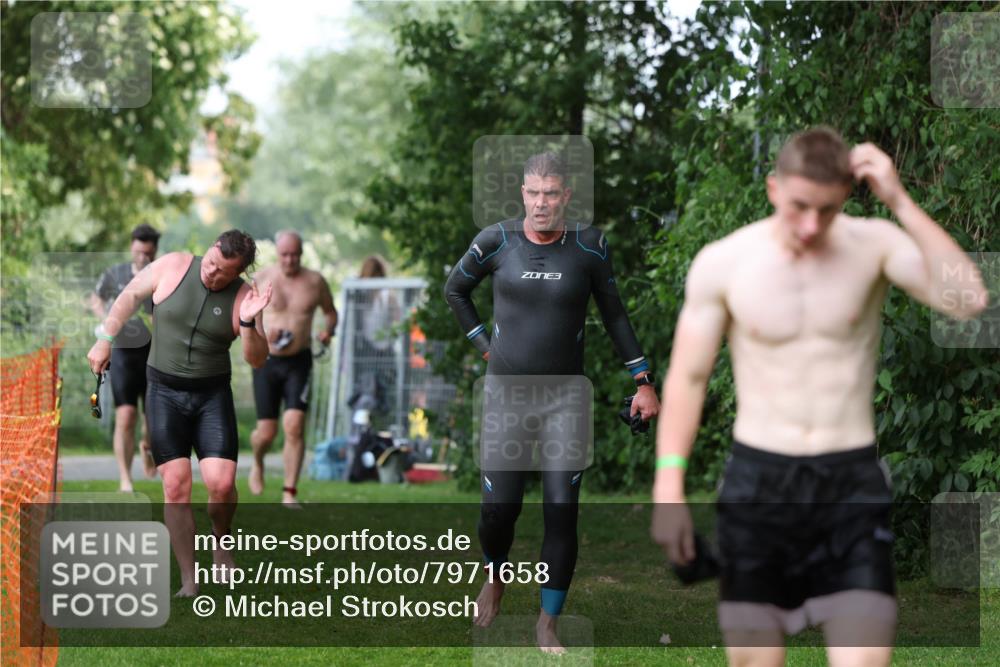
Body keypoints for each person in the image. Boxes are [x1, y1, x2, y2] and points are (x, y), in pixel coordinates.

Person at [650, 127, 988, 667]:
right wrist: (669, 485)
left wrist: (899, 200)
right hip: (759, 484)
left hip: (849, 483)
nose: (811, 225)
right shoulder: (725, 263)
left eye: (827, 210)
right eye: (799, 207)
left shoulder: (873, 245)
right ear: (773, 188)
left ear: (846, 198)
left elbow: (969, 299)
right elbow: (688, 378)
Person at [445, 151, 660, 653]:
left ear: (566, 196)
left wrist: (644, 380)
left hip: (565, 401)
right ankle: (495, 575)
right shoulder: (496, 241)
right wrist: (486, 347)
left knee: (562, 511)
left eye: (551, 194)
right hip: (506, 398)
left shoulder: (589, 246)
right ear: (522, 193)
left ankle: (548, 622)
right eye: (533, 193)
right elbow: (455, 291)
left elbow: (615, 315)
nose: (541, 203)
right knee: (499, 511)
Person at [87, 230, 272, 597]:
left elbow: (257, 359)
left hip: (211, 396)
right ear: (210, 248)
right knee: (175, 486)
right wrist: (105, 338)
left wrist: (250, 322)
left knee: (221, 485)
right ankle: (189, 579)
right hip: (164, 393)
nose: (211, 272)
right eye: (211, 261)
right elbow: (129, 296)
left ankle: (221, 540)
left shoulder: (243, 297)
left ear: (238, 272)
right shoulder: (173, 266)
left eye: (222, 271)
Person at [248, 231, 338, 508]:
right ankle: (258, 461)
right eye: (285, 255)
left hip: (299, 360)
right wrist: (263, 333)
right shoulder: (261, 278)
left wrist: (328, 332)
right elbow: (244, 316)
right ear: (277, 253)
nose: (290, 260)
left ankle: (289, 491)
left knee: (295, 425)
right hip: (266, 361)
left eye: (295, 255)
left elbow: (331, 312)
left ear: (301, 253)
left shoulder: (315, 281)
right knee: (266, 432)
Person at [89, 223, 161, 490]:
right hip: (123, 355)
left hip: (154, 355)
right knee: (126, 415)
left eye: (148, 253)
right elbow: (95, 299)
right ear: (132, 246)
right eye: (139, 251)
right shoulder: (115, 274)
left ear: (154, 251)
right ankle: (125, 478)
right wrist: (107, 320)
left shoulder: (161, 276)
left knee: (152, 419)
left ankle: (148, 446)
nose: (142, 257)